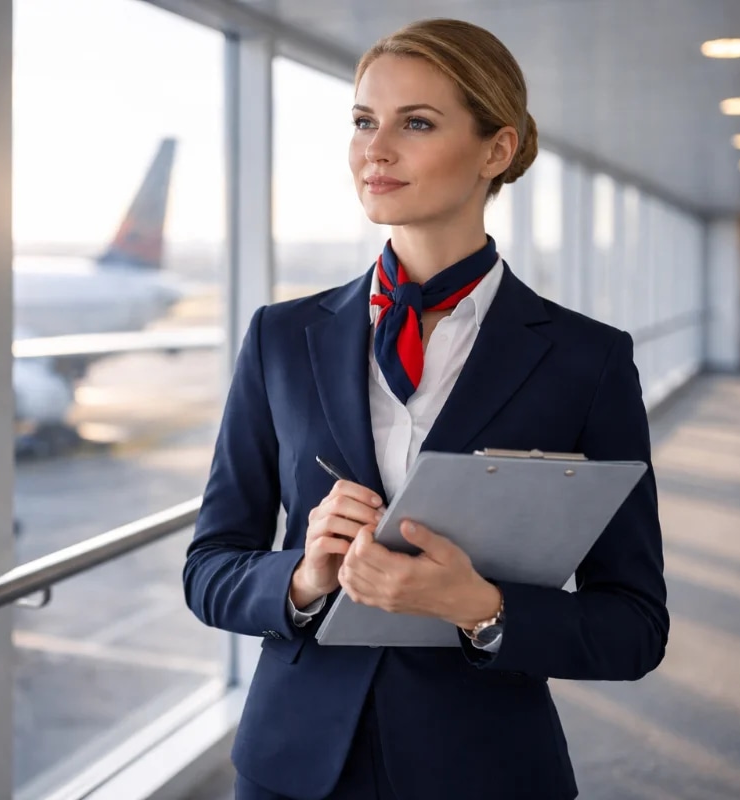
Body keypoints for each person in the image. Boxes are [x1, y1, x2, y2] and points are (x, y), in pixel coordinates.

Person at [182, 17, 670, 800]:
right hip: (292, 766)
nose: (375, 150)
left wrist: (480, 608)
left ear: (496, 150)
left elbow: (636, 626)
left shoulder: (588, 360)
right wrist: (302, 578)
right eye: (363, 122)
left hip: (485, 767)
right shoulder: (281, 337)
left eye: (416, 123)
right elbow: (209, 569)